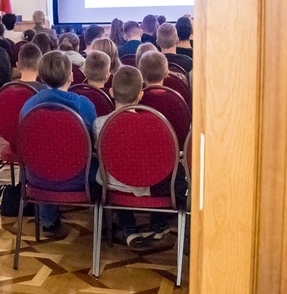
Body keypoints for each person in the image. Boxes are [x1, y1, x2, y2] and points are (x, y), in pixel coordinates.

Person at [20, 51, 97, 236]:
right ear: (71, 76)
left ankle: (47, 220)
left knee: (44, 153)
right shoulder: (85, 105)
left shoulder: (28, 105)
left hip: (37, 177)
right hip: (80, 178)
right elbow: (94, 143)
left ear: (41, 75)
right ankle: (103, 223)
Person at [93, 66, 173, 246]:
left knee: (120, 168)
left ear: (111, 92)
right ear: (141, 94)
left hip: (112, 186)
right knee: (166, 171)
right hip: (147, 184)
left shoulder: (99, 124)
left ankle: (128, 227)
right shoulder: (156, 124)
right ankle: (158, 223)